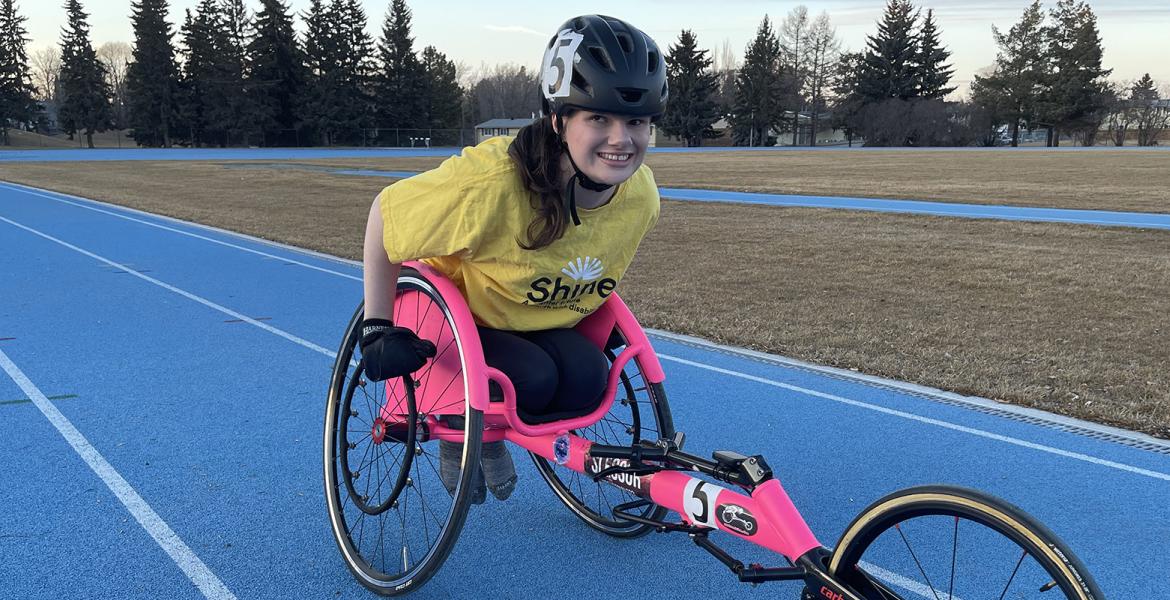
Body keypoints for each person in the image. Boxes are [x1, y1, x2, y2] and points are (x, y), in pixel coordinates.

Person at [358, 14, 669, 504]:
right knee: (534, 377)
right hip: (457, 323)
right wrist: (375, 327)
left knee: (590, 377)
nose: (620, 139)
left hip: (539, 318)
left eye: (636, 121)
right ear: (559, 119)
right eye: (598, 119)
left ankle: (494, 421)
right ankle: (468, 428)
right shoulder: (489, 186)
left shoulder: (642, 197)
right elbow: (385, 216)